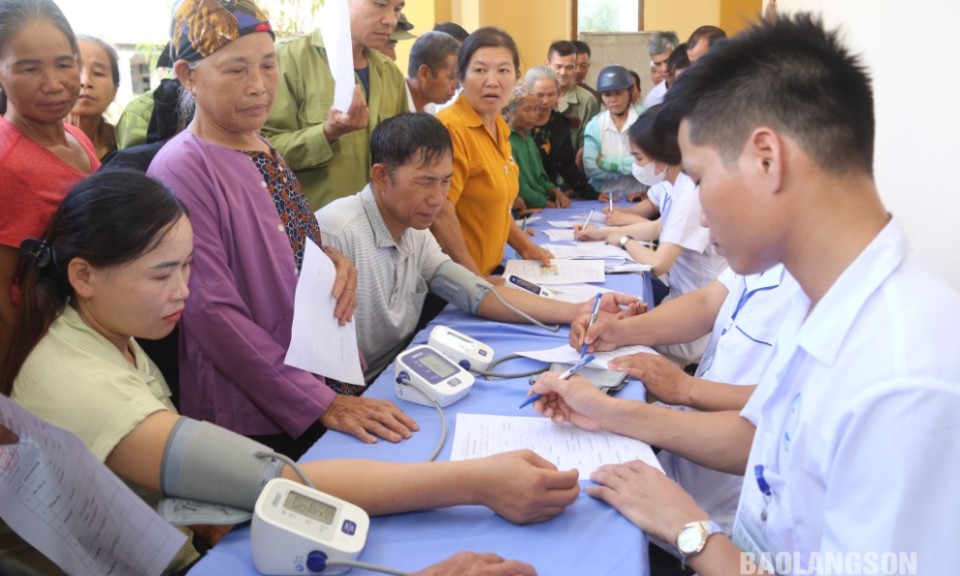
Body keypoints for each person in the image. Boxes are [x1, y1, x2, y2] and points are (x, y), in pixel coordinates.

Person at [533, 14, 960, 574]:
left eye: (702, 179)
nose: (701, 215)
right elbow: (762, 440)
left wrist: (692, 534)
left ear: (767, 159)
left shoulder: (904, 377)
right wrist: (612, 415)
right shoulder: (827, 297)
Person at [0, 170, 581, 574]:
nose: (183, 291)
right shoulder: (74, 377)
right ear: (83, 275)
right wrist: (477, 482)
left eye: (188, 268)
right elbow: (268, 479)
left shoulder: (107, 331)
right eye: (161, 275)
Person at [147, 0, 415, 459]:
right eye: (236, 70)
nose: (259, 86)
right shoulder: (184, 165)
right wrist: (319, 401)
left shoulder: (260, 143)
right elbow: (211, 310)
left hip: (317, 364)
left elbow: (287, 236)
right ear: (187, 74)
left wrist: (333, 259)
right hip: (261, 403)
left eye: (268, 65)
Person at [316, 113, 638, 380]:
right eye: (425, 182)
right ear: (382, 177)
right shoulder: (335, 233)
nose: (438, 198)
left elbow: (476, 293)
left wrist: (578, 310)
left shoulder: (415, 230)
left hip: (393, 371)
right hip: (348, 390)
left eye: (445, 181)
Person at [569, 263, 800, 534]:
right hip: (685, 462)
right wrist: (622, 331)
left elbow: (779, 407)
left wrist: (687, 388)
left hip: (724, 503)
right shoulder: (766, 257)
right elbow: (707, 301)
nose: (703, 222)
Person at [577, 105, 726, 362]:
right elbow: (658, 227)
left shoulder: (690, 190)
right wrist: (605, 233)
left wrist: (623, 240)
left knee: (618, 353)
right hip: (683, 296)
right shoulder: (674, 183)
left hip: (697, 311)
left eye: (639, 158)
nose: (636, 165)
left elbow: (657, 264)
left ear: (663, 155)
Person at [0, 0, 100, 352]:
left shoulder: (75, 136)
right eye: (29, 69)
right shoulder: (8, 165)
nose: (54, 84)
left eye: (64, 64)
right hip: (46, 348)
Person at [262, 0, 410, 210]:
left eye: (397, 9)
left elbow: (404, 153)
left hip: (377, 228)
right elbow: (260, 150)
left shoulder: (390, 73)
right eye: (380, 4)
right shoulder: (289, 60)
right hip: (313, 229)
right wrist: (326, 134)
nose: (391, 20)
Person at [431, 27, 553, 277]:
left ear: (516, 77)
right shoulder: (450, 128)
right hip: (454, 281)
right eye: (480, 70)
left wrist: (527, 248)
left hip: (487, 271)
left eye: (503, 70)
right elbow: (440, 212)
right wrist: (474, 283)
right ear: (461, 76)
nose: (492, 81)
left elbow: (495, 207)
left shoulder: (499, 126)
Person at [524, 66, 599, 200]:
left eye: (551, 94)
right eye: (539, 95)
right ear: (528, 94)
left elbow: (567, 166)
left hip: (547, 195)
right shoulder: (518, 125)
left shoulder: (559, 124)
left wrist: (593, 194)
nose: (546, 101)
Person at [582, 65, 645, 203]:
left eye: (618, 93)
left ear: (630, 92)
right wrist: (632, 166)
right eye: (607, 94)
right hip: (604, 198)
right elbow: (591, 169)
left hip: (639, 196)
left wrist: (606, 162)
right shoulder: (594, 125)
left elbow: (651, 164)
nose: (613, 99)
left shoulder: (645, 119)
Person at [505, 86, 570, 213]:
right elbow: (519, 185)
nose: (534, 115)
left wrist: (556, 193)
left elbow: (540, 175)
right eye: (527, 109)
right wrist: (547, 203)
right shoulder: (506, 140)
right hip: (524, 208)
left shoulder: (528, 136)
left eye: (536, 109)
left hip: (541, 203)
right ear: (510, 111)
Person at [67, 35, 119, 160]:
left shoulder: (124, 143)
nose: (85, 81)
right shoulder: (34, 145)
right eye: (75, 69)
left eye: (98, 73)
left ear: (114, 91)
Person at [546, 40, 599, 150]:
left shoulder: (588, 101)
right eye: (558, 66)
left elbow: (587, 146)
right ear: (547, 65)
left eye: (569, 67)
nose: (563, 72)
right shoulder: (534, 96)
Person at [405, 30, 460, 114]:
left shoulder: (431, 107)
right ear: (424, 74)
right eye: (451, 77)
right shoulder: (391, 103)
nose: (456, 86)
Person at [642, 31, 679, 108]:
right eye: (658, 64)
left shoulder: (699, 90)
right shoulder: (652, 100)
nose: (664, 69)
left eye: (668, 61)